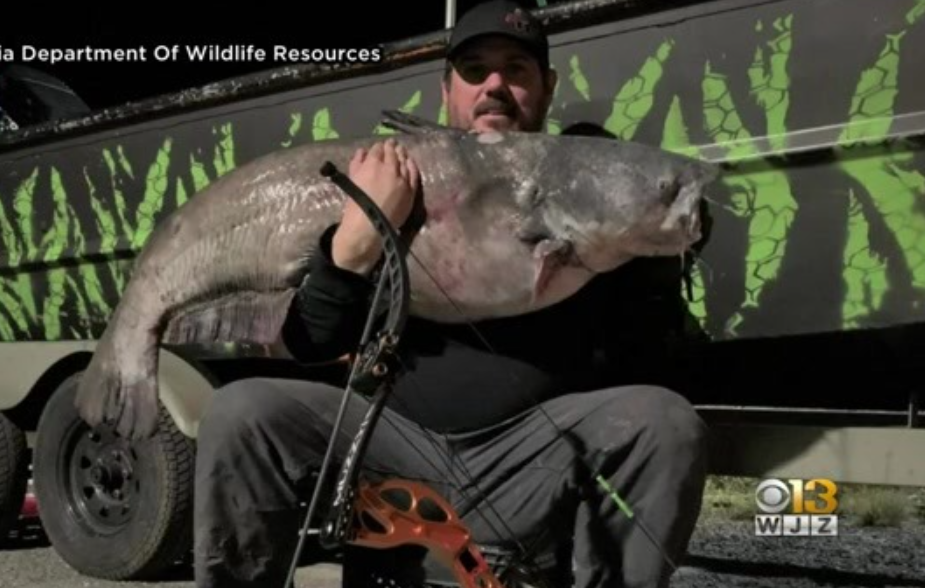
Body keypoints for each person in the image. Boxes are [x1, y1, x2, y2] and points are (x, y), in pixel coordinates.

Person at [192, 1, 710, 587]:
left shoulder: (584, 182)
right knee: (242, 412)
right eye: (474, 69)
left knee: (666, 422)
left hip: (529, 457)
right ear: (446, 91)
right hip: (395, 446)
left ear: (547, 87)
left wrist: (655, 244)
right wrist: (351, 250)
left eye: (517, 68)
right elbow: (313, 342)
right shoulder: (391, 180)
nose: (495, 85)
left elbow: (650, 356)